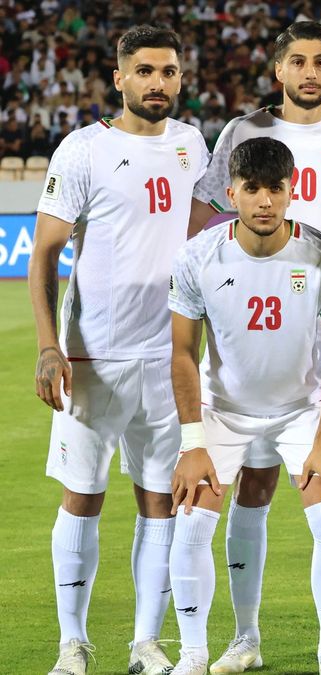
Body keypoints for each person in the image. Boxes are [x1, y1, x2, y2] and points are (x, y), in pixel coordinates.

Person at [188, 21, 321, 673]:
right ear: (278, 70)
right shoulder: (242, 134)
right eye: (298, 61)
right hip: (252, 331)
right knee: (251, 482)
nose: (310, 71)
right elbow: (204, 216)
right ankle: (244, 635)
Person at [28, 25, 209, 675]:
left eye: (168, 72)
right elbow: (44, 255)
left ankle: (145, 642)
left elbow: (198, 237)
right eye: (144, 71)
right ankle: (71, 643)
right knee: (83, 494)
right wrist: (50, 347)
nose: (157, 82)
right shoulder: (83, 150)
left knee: (160, 498)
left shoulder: (193, 144)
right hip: (92, 358)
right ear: (120, 78)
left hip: (169, 358)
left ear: (180, 79)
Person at [167, 137, 321, 675]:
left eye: (276, 188)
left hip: (300, 410)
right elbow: (183, 354)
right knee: (191, 522)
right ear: (232, 193)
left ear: (291, 190)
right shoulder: (198, 256)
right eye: (252, 190)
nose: (265, 202)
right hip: (223, 410)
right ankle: (195, 656)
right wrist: (192, 442)